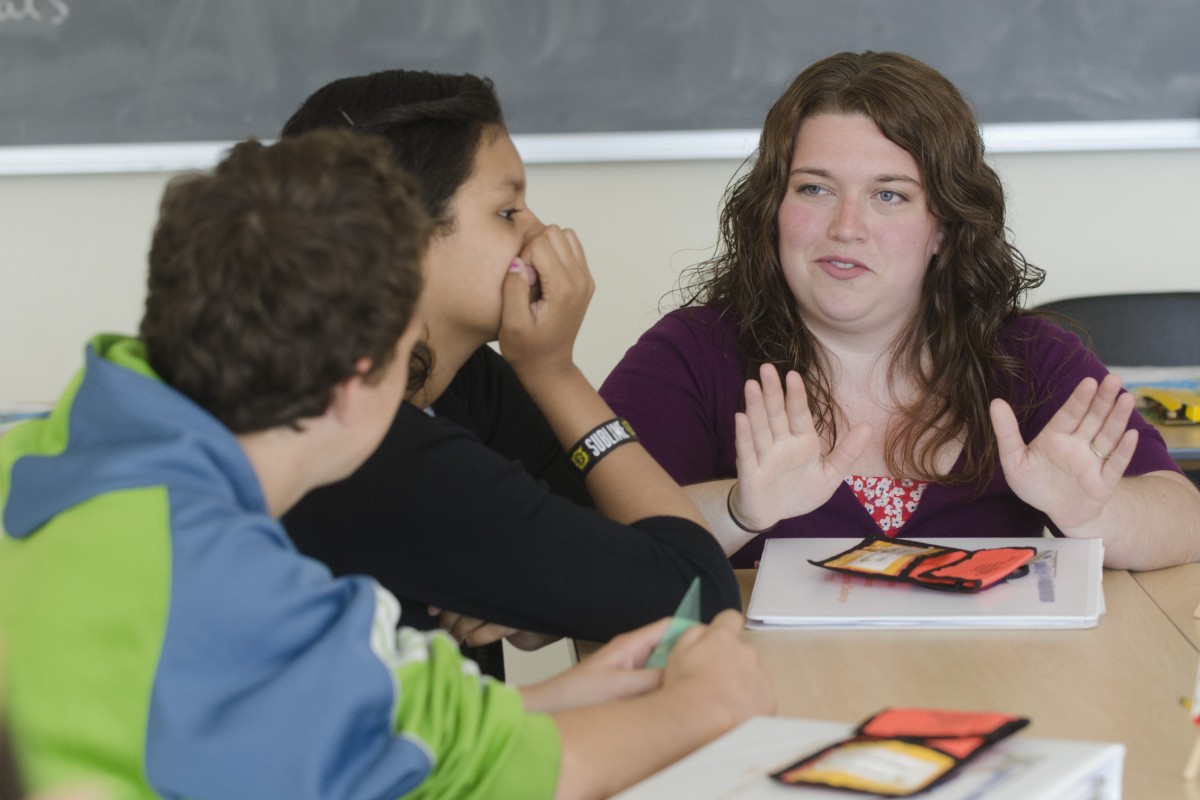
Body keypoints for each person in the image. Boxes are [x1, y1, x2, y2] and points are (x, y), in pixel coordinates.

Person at [0, 131, 774, 799]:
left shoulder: (78, 427)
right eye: (413, 362)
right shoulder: (227, 581)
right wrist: (705, 702)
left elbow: (338, 705)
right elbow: (514, 780)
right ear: (353, 386)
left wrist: (567, 696)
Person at [600, 50, 1200, 572]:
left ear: (944, 226)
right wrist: (739, 510)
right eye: (814, 188)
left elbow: (1185, 518)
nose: (846, 227)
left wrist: (1095, 513)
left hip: (989, 693)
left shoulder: (1028, 356)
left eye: (889, 195)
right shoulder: (691, 353)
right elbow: (584, 550)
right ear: (772, 208)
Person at [278, 70, 740, 665]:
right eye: (506, 211)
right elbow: (694, 597)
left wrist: (531, 569)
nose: (540, 233)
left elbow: (611, 541)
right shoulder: (374, 446)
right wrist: (555, 373)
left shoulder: (469, 383)